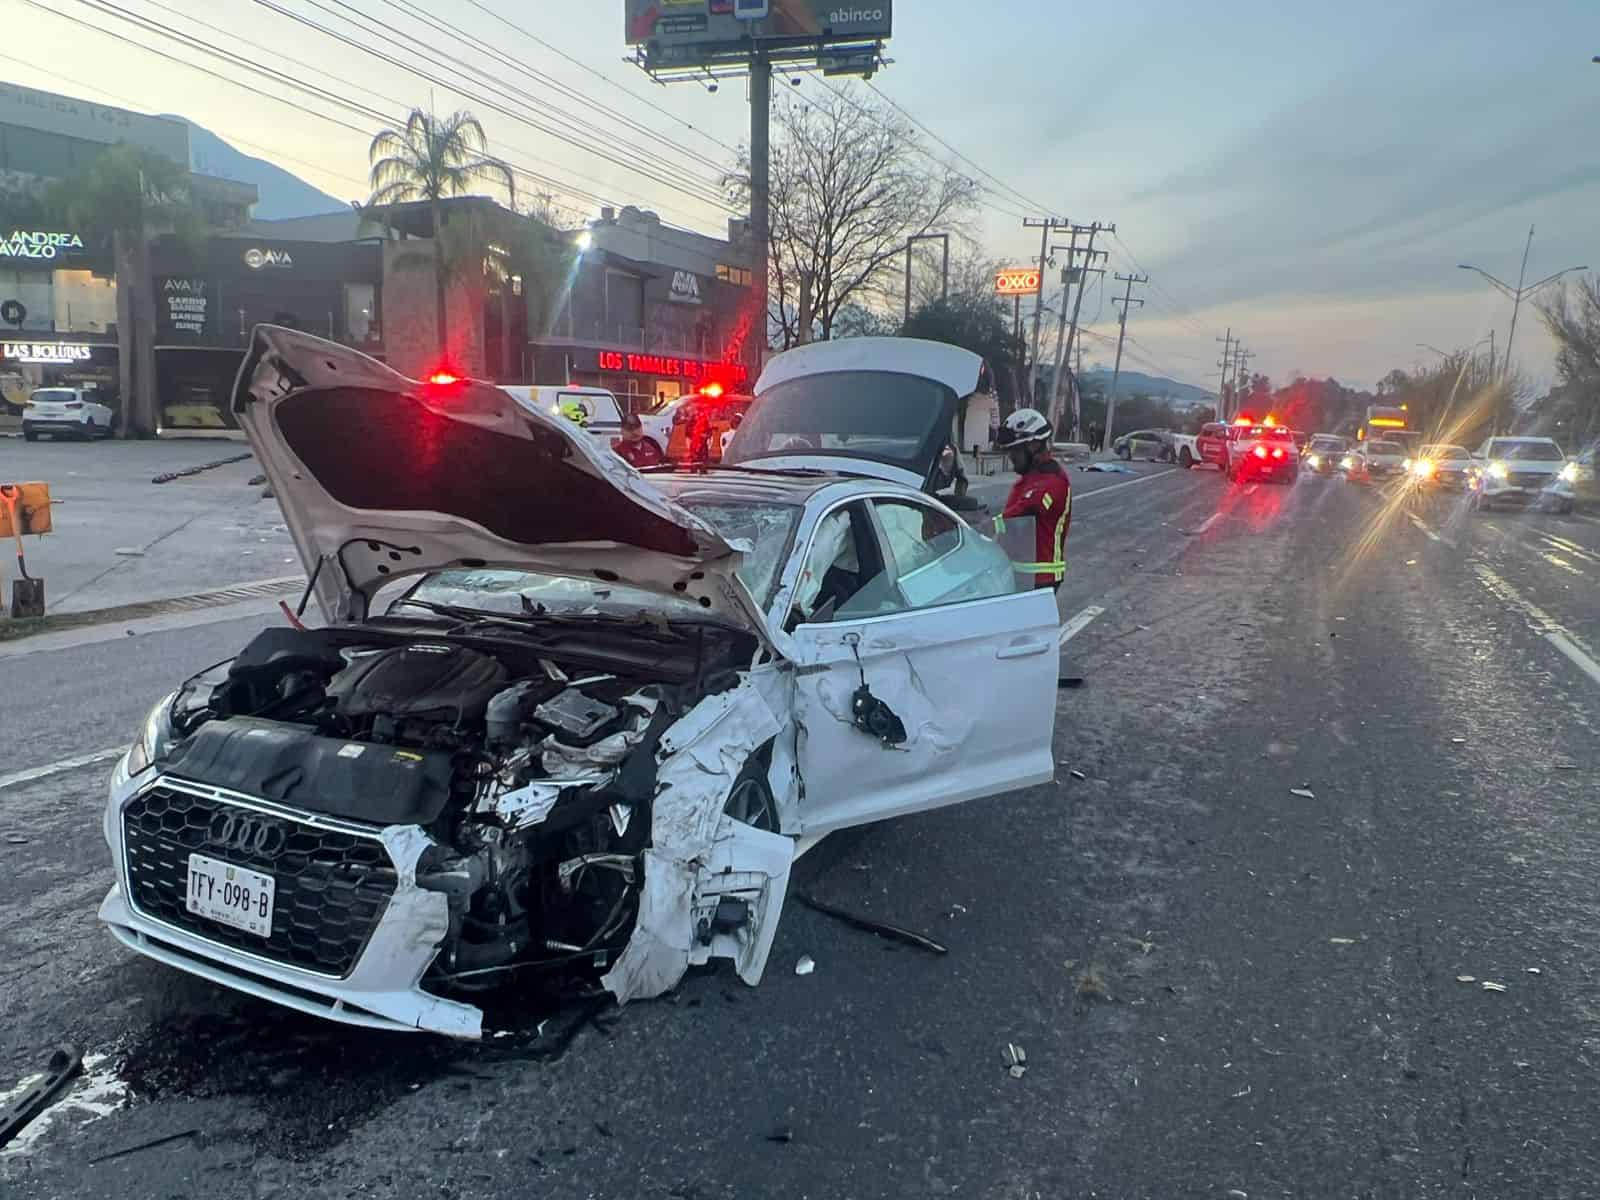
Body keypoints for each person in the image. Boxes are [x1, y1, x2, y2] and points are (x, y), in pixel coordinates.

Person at [996, 407, 1071, 591]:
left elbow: (1026, 512)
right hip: (1022, 574)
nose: (1011, 456)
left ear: (1033, 446)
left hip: (1041, 580)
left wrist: (981, 527)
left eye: (1015, 450)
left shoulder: (1052, 481)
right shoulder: (1030, 478)